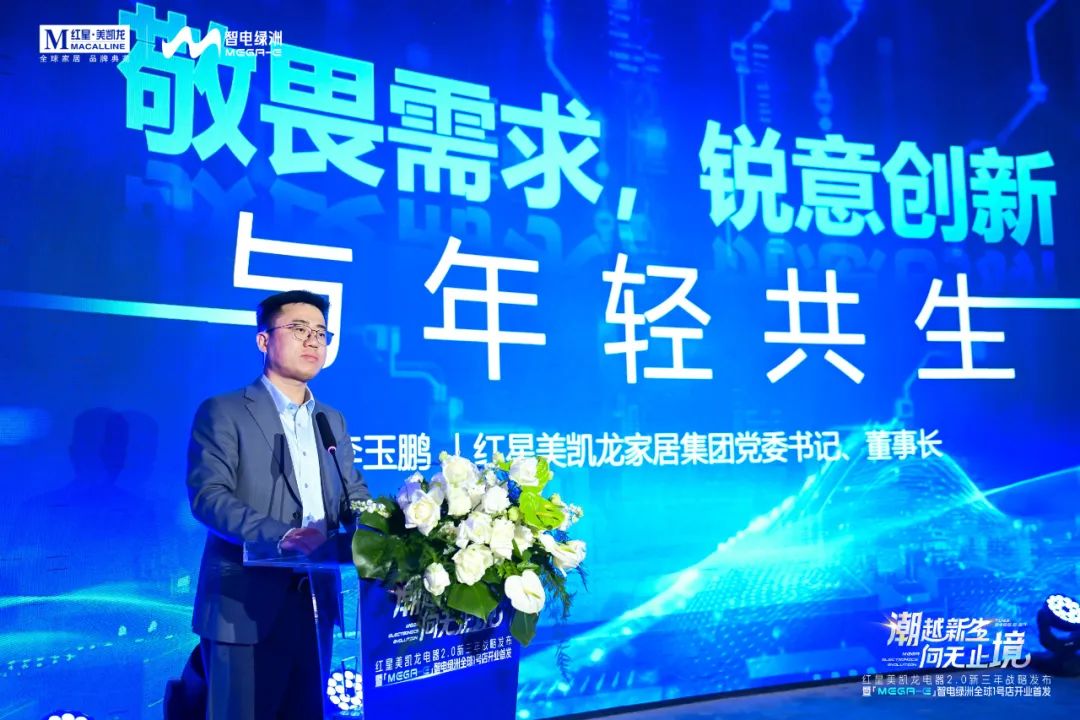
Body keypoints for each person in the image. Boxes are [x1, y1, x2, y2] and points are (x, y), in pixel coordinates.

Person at [186, 290, 369, 719]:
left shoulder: (331, 419)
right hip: (243, 607)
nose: (313, 341)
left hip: (316, 603)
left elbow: (353, 496)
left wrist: (386, 538)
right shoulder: (224, 411)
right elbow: (208, 496)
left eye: (321, 332)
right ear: (263, 340)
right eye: (299, 329)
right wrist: (282, 535)